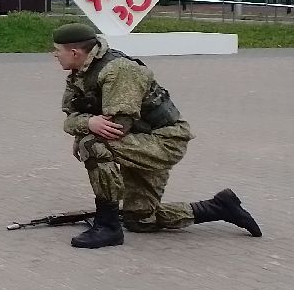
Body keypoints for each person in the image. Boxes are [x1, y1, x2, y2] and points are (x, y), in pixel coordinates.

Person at [52, 22, 262, 249]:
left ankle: (108, 225)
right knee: (141, 220)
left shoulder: (118, 70)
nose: (54, 55)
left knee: (92, 144)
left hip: (163, 140)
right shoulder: (80, 73)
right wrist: (87, 122)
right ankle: (219, 207)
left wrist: (85, 128)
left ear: (75, 52)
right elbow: (71, 117)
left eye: (57, 50)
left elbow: (116, 127)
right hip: (137, 141)